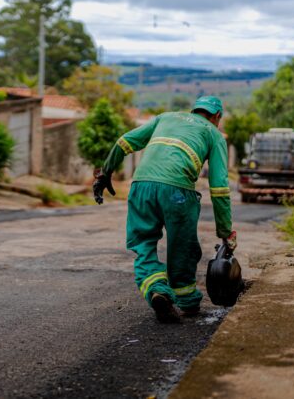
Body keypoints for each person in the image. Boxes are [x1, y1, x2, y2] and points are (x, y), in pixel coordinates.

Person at [93, 96, 236, 323]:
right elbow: (219, 188)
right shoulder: (213, 133)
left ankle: (157, 291)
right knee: (183, 248)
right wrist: (225, 230)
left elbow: (124, 142)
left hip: (141, 186)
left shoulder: (165, 118)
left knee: (143, 245)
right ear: (217, 116)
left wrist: (105, 173)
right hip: (178, 192)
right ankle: (187, 301)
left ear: (195, 110)